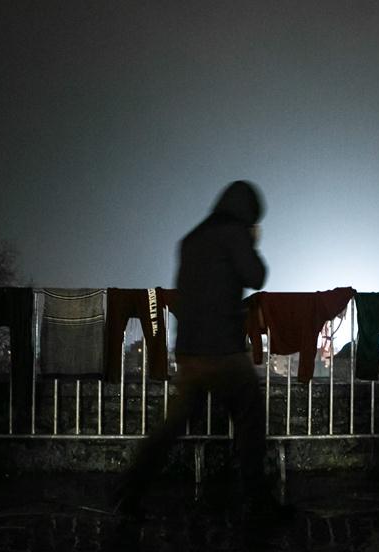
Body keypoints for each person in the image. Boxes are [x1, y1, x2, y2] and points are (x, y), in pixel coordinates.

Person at [113, 180, 280, 518]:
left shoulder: (192, 238)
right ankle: (258, 502)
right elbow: (256, 276)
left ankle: (129, 489)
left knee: (171, 427)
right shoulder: (234, 232)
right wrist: (252, 241)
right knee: (250, 421)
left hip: (190, 351)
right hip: (225, 352)